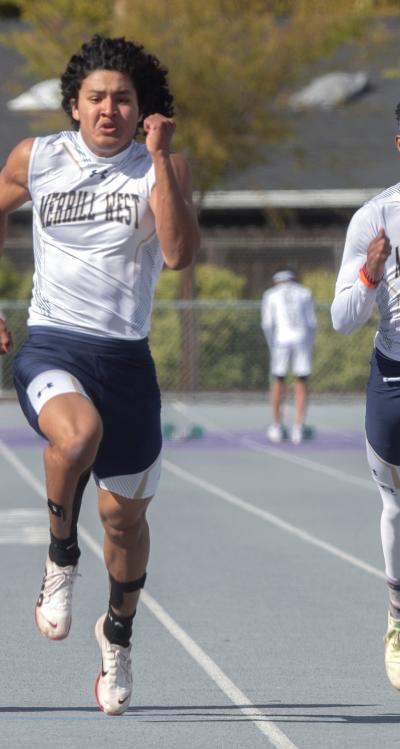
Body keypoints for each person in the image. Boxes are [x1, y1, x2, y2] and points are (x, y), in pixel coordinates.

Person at [0, 35, 199, 715]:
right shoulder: (37, 157)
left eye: (123, 99)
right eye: (96, 97)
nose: (109, 109)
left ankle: (118, 634)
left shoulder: (164, 166)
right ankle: (60, 558)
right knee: (75, 437)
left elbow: (182, 254)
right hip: (53, 346)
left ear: (143, 110)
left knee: (123, 524)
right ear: (74, 105)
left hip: (126, 361)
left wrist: (157, 162)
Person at [331, 101, 400, 691]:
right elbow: (341, 319)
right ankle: (399, 618)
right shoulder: (373, 219)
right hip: (395, 380)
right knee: (398, 508)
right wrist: (370, 273)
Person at [260, 269, 317, 444]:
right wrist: (308, 344)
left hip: (280, 340)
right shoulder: (304, 292)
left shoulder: (270, 294)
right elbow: (312, 323)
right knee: (301, 380)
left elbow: (267, 324)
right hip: (301, 339)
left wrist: (272, 345)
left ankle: (276, 426)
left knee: (278, 379)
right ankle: (298, 428)